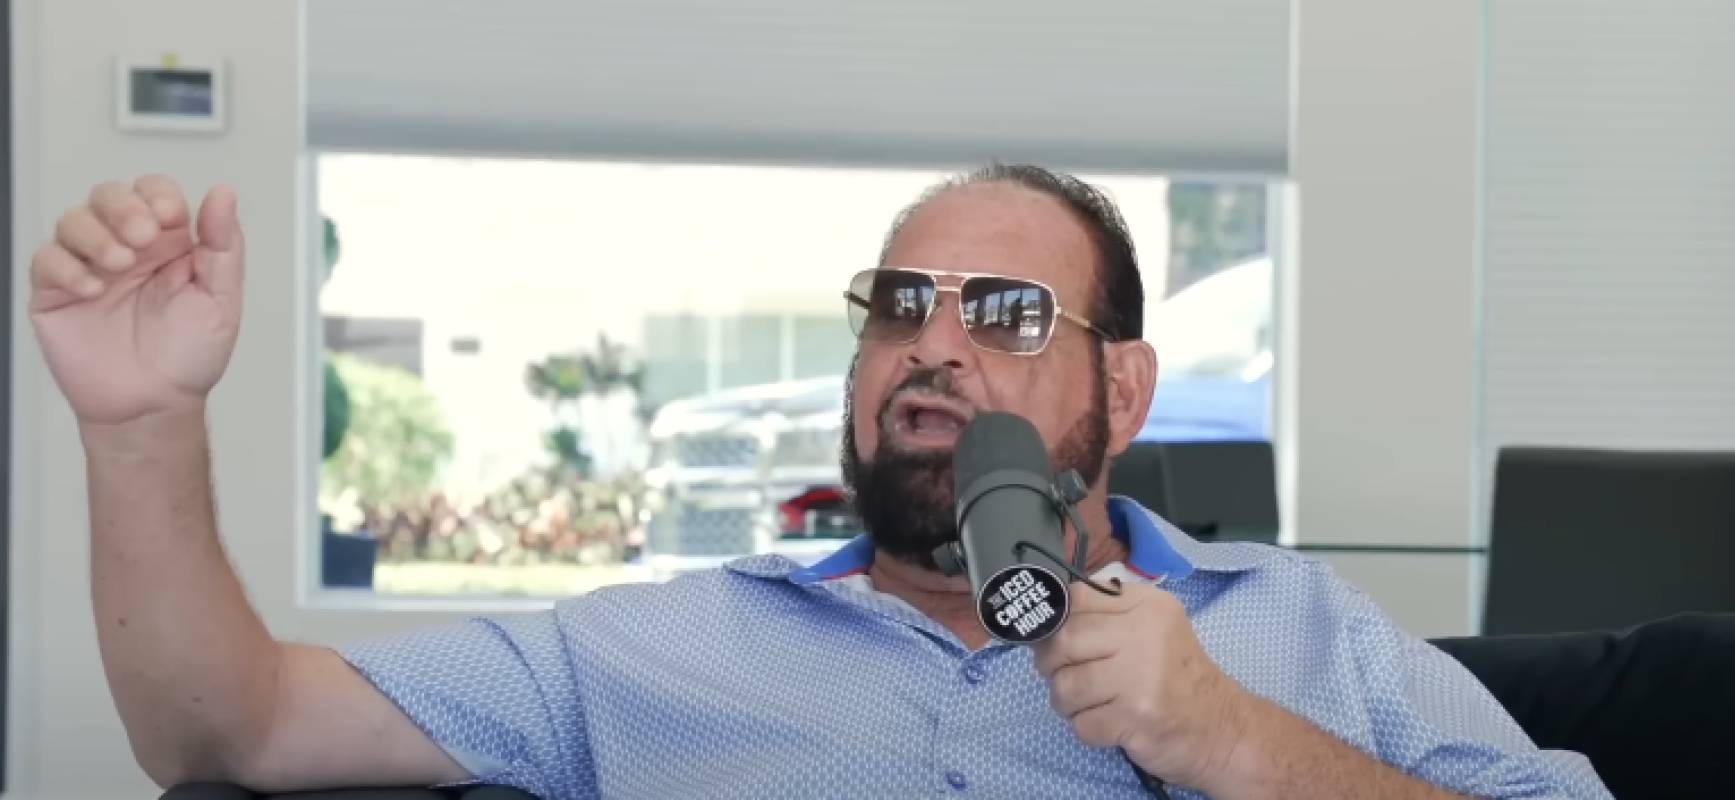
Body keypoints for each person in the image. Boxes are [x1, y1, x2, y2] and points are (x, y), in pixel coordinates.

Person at [29, 166, 1612, 799]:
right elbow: (225, 731)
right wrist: (138, 425)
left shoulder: (1299, 633)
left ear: (1121, 388)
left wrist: (1239, 743)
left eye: (1002, 318)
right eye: (898, 306)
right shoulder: (648, 650)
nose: (932, 348)